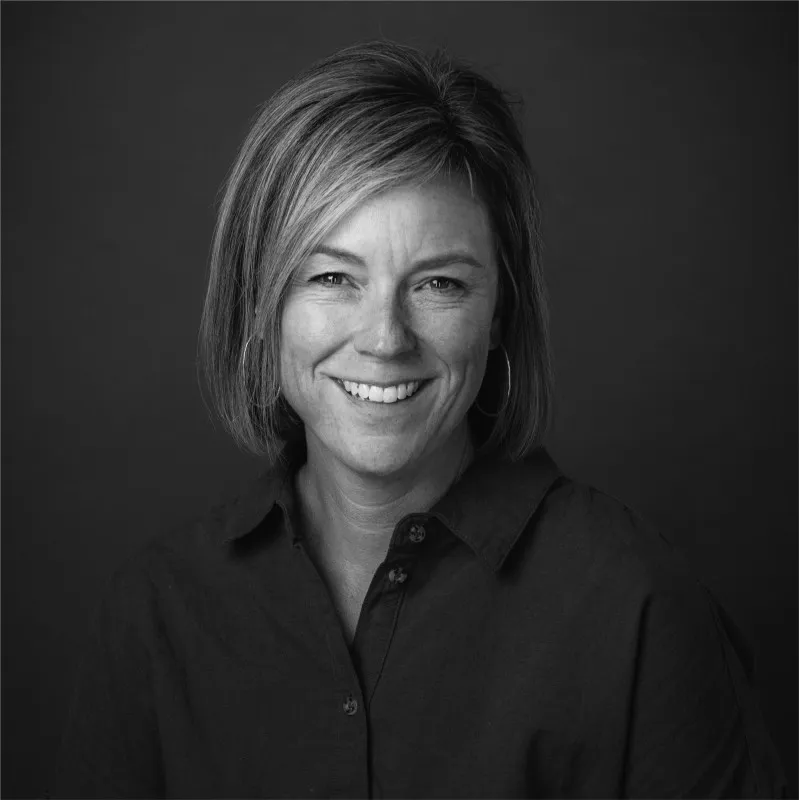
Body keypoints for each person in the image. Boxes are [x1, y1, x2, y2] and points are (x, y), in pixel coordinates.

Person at [51, 39, 787, 799]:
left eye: (437, 283)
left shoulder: (639, 609)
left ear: (499, 314)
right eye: (332, 276)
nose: (384, 339)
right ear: (260, 306)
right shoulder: (156, 612)